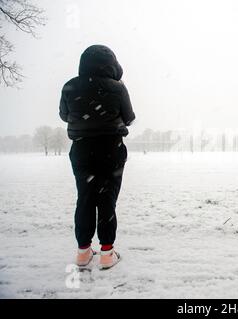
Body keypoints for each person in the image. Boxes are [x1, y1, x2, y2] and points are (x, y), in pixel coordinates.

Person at [59, 45, 135, 270]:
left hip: (81, 150)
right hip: (111, 149)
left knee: (85, 197)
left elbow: (64, 115)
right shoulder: (118, 88)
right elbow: (129, 117)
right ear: (111, 63)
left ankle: (83, 253)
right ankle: (106, 253)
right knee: (107, 199)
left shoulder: (70, 86)